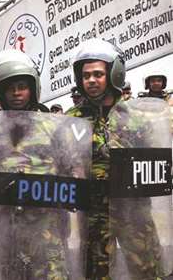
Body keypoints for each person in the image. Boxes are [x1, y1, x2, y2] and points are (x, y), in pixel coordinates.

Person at [0, 50, 83, 279]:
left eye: (22, 86)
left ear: (33, 88)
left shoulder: (54, 127)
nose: (16, 93)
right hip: (9, 235)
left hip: (47, 233)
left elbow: (67, 183)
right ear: (0, 92)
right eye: (9, 88)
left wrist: (66, 233)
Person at [66, 38, 164, 279]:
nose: (90, 80)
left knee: (148, 270)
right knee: (97, 273)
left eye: (98, 74)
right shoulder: (72, 119)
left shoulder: (137, 116)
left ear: (114, 75)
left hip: (135, 209)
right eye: (86, 75)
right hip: (94, 213)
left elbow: (155, 162)